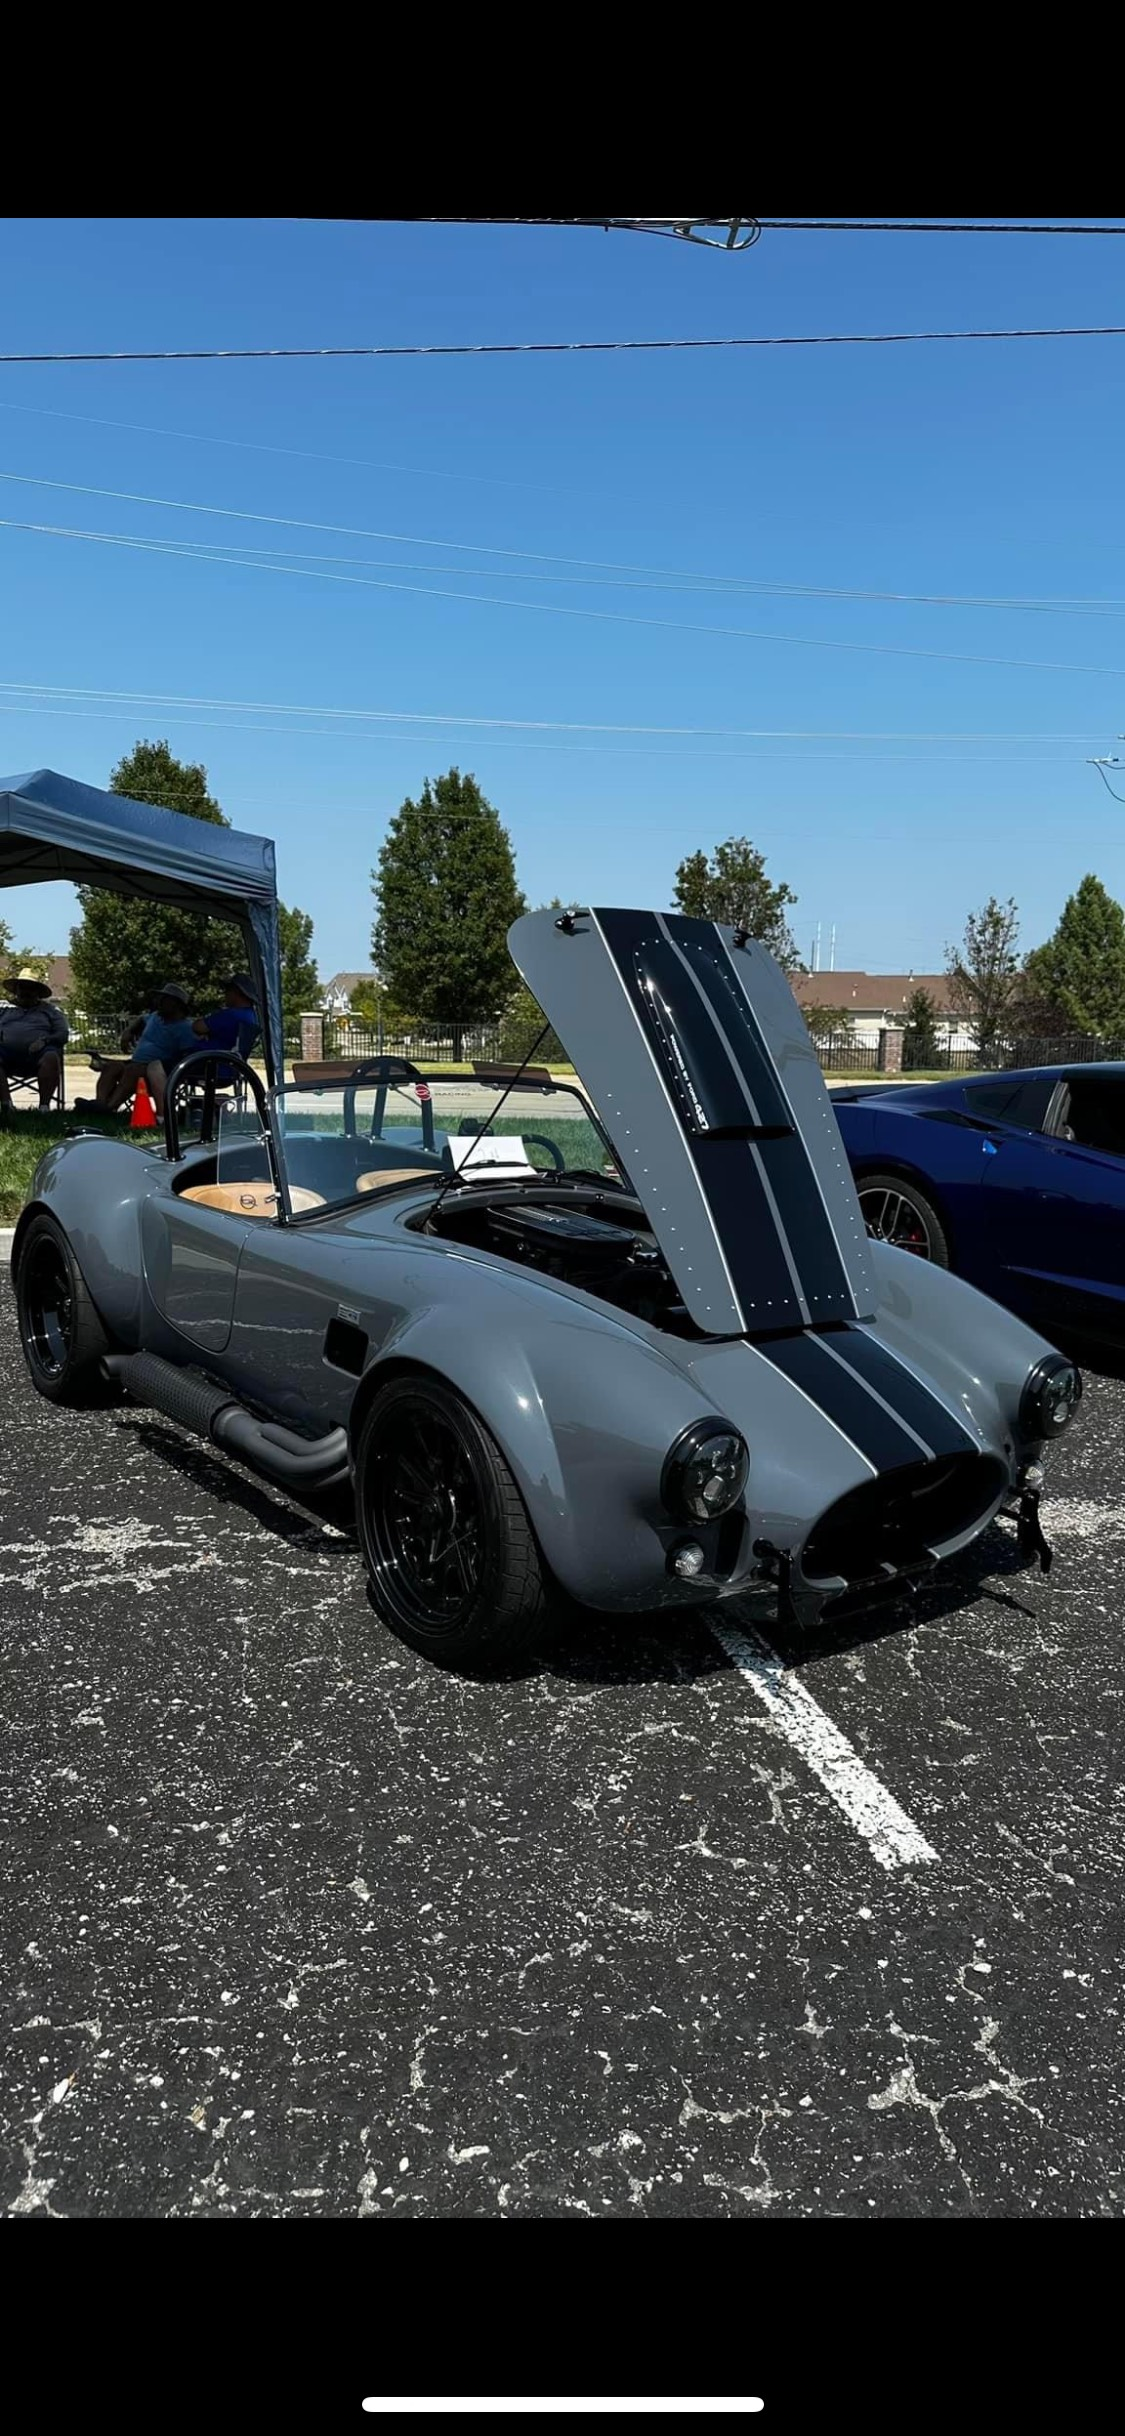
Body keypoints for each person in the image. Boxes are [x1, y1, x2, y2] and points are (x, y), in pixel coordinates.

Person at [100, 982, 198, 1121]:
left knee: (133, 1070)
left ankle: (109, 1108)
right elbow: (141, 1019)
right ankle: (100, 1104)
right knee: (111, 1067)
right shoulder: (155, 1017)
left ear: (177, 1004)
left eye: (164, 999)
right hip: (135, 1063)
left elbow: (186, 1057)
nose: (159, 1002)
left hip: (158, 1070)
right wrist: (128, 1032)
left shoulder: (185, 1028)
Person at [0, 968, 68, 1113]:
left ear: (38, 992)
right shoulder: (3, 1008)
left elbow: (63, 1034)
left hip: (38, 1055)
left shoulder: (51, 1011)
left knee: (51, 1057)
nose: (26, 992)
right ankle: (7, 1105)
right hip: (5, 1055)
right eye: (22, 987)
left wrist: (46, 1040)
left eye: (31, 988)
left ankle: (44, 1107)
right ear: (16, 989)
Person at [199, 974, 259, 1072]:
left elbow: (197, 1027)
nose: (225, 994)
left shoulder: (230, 1015)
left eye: (227, 990)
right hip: (231, 1066)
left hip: (211, 1064)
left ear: (236, 992)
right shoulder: (251, 1016)